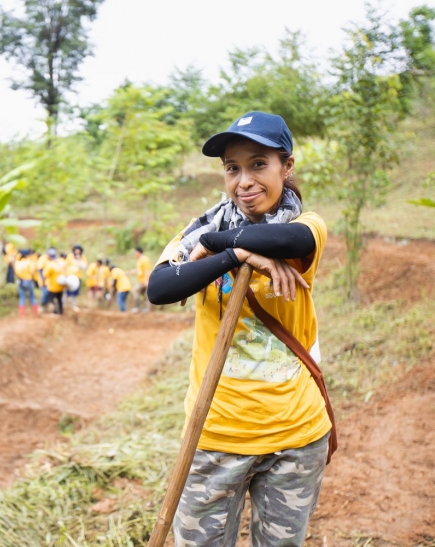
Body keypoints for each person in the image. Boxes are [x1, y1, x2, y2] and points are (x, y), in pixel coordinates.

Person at [147, 111, 331, 546]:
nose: (244, 181)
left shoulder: (305, 227)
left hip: (295, 437)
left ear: (286, 166)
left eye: (258, 164)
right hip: (214, 434)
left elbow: (287, 242)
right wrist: (235, 257)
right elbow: (159, 288)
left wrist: (217, 244)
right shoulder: (196, 232)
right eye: (232, 168)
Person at [41, 248, 65, 315]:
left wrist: (42, 283)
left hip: (52, 286)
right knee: (59, 299)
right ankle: (61, 311)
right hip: (61, 286)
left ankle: (55, 311)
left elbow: (45, 276)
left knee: (50, 299)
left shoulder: (50, 265)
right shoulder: (62, 262)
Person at [15, 249, 38, 316]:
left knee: (22, 297)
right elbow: (32, 271)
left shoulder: (18, 262)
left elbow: (16, 272)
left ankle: (22, 314)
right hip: (28, 280)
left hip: (21, 281)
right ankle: (35, 313)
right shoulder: (29, 262)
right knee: (32, 296)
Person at [65, 244, 87, 311]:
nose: (77, 251)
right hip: (69, 276)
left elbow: (84, 267)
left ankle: (73, 305)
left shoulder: (82, 257)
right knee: (66, 292)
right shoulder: (70, 256)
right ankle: (65, 305)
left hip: (77, 277)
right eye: (76, 250)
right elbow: (66, 265)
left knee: (75, 293)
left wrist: (79, 259)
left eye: (78, 250)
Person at [131, 246, 152, 313]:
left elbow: (146, 270)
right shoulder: (139, 260)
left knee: (135, 291)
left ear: (138, 252)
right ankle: (144, 308)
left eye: (135, 252)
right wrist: (128, 273)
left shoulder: (145, 259)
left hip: (144, 281)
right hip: (140, 281)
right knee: (144, 294)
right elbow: (137, 270)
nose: (134, 254)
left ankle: (138, 307)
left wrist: (146, 280)